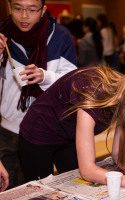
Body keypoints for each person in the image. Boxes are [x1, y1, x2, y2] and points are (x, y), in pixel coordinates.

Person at [19, 60, 125, 188]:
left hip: (69, 136)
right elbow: (87, 170)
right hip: (39, 133)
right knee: (41, 189)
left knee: (75, 187)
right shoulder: (94, 92)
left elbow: (118, 155)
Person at [0, 0, 77, 189]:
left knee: (48, 187)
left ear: (43, 10)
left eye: (32, 10)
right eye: (18, 8)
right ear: (9, 7)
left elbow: (73, 83)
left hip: (49, 129)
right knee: (9, 188)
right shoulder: (2, 34)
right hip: (10, 128)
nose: (24, 16)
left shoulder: (60, 36)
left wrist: (45, 76)